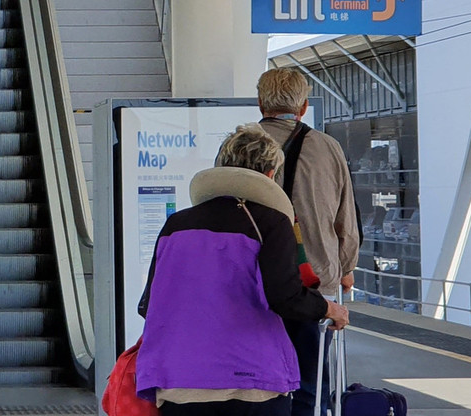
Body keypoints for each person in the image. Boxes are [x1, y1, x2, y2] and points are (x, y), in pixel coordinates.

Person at [136, 123, 349, 415]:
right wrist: (328, 308)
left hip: (178, 382)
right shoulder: (271, 223)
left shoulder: (176, 224)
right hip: (249, 382)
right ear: (271, 174)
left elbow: (150, 302)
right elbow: (284, 296)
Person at [257, 68, 361, 416]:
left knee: (256, 377)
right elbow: (345, 219)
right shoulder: (328, 148)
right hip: (314, 283)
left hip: (255, 284)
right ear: (302, 107)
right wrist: (345, 269)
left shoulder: (241, 144)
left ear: (261, 102)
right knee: (310, 383)